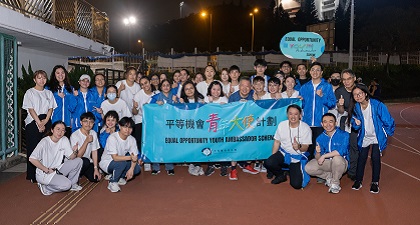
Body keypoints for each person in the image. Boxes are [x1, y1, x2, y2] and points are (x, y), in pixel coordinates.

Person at [348, 84, 395, 194]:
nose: (358, 96)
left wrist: (387, 132)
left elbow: (388, 119)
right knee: (362, 158)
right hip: (365, 136)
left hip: (377, 136)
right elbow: (354, 124)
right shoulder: (356, 108)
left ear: (365, 93)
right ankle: (358, 180)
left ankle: (375, 183)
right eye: (355, 95)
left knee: (375, 158)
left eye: (360, 93)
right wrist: (356, 124)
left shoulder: (377, 105)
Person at [264, 105, 312, 189]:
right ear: (287, 115)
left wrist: (299, 146)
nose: (293, 116)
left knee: (296, 185)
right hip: (284, 153)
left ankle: (291, 170)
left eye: (296, 114)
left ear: (300, 115)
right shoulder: (282, 125)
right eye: (290, 114)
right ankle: (281, 175)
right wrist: (273, 157)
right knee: (269, 162)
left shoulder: (306, 128)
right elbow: (277, 141)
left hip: (297, 157)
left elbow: (306, 147)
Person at [29, 121, 83, 196]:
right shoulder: (45, 142)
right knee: (66, 185)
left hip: (57, 169)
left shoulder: (64, 139)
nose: (60, 132)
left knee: (79, 161)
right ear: (52, 130)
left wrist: (75, 151)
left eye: (63, 130)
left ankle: (73, 184)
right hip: (45, 173)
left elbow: (71, 157)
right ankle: (46, 188)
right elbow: (32, 158)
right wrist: (46, 169)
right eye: (58, 129)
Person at [22, 70, 57, 183]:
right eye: (39, 78)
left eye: (44, 78)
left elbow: (51, 108)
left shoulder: (48, 93)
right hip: (33, 122)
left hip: (46, 121)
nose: (42, 80)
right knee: (33, 149)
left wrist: (45, 121)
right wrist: (39, 123)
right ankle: (32, 175)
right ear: (34, 79)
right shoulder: (30, 92)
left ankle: (45, 172)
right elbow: (30, 109)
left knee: (46, 149)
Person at [305, 113, 349, 194]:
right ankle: (329, 177)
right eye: (325, 122)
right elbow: (318, 158)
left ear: (335, 123)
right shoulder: (320, 137)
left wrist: (324, 156)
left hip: (341, 163)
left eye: (331, 122)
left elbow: (341, 151)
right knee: (309, 167)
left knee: (337, 159)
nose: (328, 125)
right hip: (328, 163)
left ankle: (335, 184)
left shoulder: (344, 135)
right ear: (322, 124)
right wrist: (318, 153)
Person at [299, 62, 336, 157]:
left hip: (321, 123)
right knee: (308, 149)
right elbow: (302, 106)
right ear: (310, 72)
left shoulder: (327, 86)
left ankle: (320, 169)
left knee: (320, 148)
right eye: (313, 70)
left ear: (321, 72)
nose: (315, 72)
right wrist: (300, 101)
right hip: (307, 122)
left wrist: (322, 96)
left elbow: (332, 104)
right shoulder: (304, 87)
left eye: (318, 70)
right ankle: (307, 170)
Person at [228, 77, 259, 180]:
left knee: (252, 143)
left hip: (249, 126)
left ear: (251, 87)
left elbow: (259, 111)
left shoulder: (253, 95)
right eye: (243, 86)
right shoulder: (233, 97)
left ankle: (247, 165)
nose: (245, 88)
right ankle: (233, 169)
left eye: (247, 86)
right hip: (236, 126)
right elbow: (228, 114)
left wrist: (256, 100)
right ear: (239, 86)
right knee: (235, 145)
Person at [99, 117, 141, 193]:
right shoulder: (113, 138)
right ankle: (112, 182)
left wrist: (131, 169)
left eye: (130, 128)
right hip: (107, 162)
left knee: (136, 169)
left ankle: (120, 177)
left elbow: (134, 156)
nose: (127, 130)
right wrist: (131, 158)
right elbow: (115, 158)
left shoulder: (131, 139)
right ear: (119, 126)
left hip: (121, 161)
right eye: (125, 127)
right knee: (122, 162)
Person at [334, 69, 358, 180]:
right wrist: (340, 105)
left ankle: (353, 171)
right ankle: (344, 167)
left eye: (349, 79)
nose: (346, 82)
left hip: (358, 120)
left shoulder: (361, 89)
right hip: (345, 120)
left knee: (355, 145)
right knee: (344, 144)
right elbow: (340, 111)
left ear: (354, 79)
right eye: (344, 79)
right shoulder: (339, 91)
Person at [149, 79, 176, 175]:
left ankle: (170, 167)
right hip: (158, 125)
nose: (166, 87)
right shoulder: (155, 97)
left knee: (168, 146)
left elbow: (179, 110)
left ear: (170, 86)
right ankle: (156, 167)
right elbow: (149, 109)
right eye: (164, 85)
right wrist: (155, 105)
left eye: (168, 85)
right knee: (157, 146)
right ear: (161, 87)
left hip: (170, 125)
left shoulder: (174, 97)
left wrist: (176, 102)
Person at [70, 112, 101, 182]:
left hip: (88, 161)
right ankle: (76, 175)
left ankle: (83, 172)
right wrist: (86, 141)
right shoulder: (75, 135)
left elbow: (94, 151)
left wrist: (96, 168)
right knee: (84, 161)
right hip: (76, 162)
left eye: (91, 122)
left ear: (93, 124)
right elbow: (78, 156)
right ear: (81, 122)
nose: (88, 124)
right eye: (85, 121)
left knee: (95, 179)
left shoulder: (93, 133)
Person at [48, 65, 77, 137]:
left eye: (62, 73)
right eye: (58, 73)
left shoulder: (70, 89)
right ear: (54, 75)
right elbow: (47, 105)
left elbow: (72, 107)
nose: (60, 75)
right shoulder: (49, 89)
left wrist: (74, 97)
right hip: (54, 123)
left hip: (67, 124)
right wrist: (56, 95)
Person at [132, 77, 156, 161]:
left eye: (146, 83)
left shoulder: (156, 94)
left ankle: (153, 158)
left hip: (153, 121)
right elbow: (134, 112)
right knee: (140, 139)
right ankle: (143, 159)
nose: (144, 85)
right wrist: (135, 107)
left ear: (150, 82)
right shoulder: (138, 95)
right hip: (140, 120)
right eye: (142, 84)